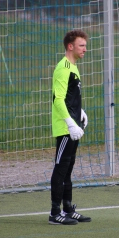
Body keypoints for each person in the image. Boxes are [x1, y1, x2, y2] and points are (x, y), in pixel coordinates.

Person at [49, 30, 91, 225]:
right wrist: (70, 123)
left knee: (68, 169)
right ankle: (55, 213)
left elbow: (69, 97)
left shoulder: (73, 67)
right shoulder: (63, 67)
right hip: (66, 129)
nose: (85, 49)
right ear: (70, 46)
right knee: (61, 169)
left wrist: (80, 111)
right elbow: (58, 99)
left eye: (85, 45)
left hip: (74, 127)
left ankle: (67, 208)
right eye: (81, 45)